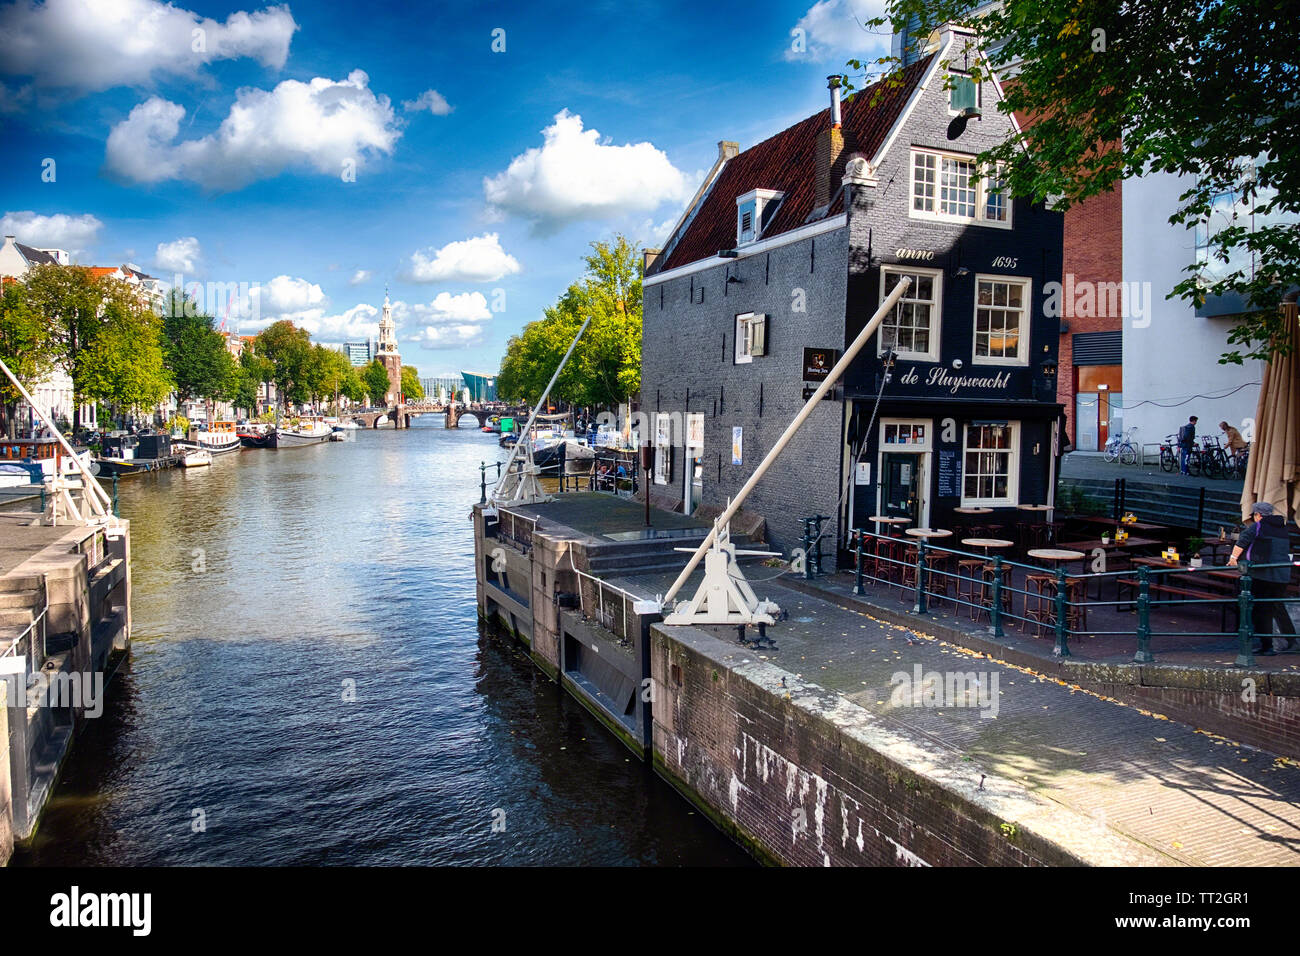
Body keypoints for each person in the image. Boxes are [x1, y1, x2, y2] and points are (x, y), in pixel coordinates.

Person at [1228, 501, 1296, 655]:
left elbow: (1242, 541)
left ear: (1258, 515)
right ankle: (1292, 640)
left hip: (1264, 574)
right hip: (1282, 574)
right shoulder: (1282, 528)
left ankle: (1267, 646)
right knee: (1277, 608)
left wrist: (1233, 558)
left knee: (1261, 609)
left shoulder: (1258, 526)